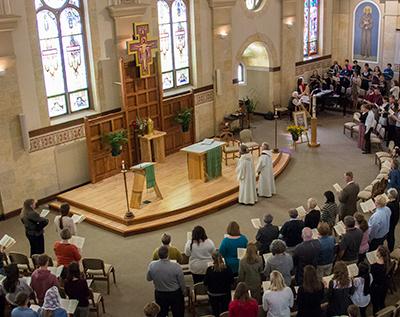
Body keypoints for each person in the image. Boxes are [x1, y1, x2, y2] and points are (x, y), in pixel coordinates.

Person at [146, 246, 185, 317]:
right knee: (178, 313)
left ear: (158, 255)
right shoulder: (176, 266)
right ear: (168, 255)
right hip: (175, 294)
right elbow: (181, 282)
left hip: (160, 294)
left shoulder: (152, 265)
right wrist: (184, 291)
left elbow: (148, 278)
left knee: (162, 313)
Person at [203, 251, 234, 317]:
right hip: (225, 294)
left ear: (213, 259)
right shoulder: (227, 269)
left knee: (215, 311)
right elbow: (232, 281)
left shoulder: (209, 270)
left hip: (213, 294)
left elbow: (205, 283)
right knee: (225, 311)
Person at [370, 245, 390, 315]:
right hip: (385, 284)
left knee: (375, 304)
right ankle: (384, 313)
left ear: (380, 254)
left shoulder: (375, 266)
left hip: (376, 287)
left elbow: (372, 276)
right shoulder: (387, 260)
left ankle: (376, 314)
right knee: (381, 301)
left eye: (377, 250)